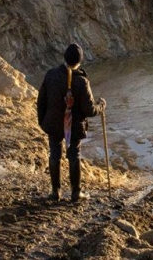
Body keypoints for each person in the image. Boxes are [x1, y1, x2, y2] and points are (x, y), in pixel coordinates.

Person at [37, 43, 106, 202]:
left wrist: (42, 122)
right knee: (74, 155)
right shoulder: (82, 81)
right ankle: (76, 193)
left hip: (53, 124)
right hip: (74, 126)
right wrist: (101, 106)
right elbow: (89, 110)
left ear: (65, 58)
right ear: (80, 61)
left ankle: (55, 192)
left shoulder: (51, 75)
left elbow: (41, 101)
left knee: (54, 153)